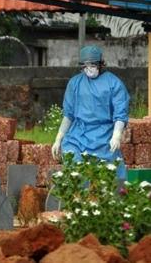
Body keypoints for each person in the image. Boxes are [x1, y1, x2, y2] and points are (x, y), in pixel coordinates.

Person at [51, 45, 130, 179]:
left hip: (104, 136)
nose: (89, 69)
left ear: (100, 64)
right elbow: (68, 114)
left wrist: (116, 135)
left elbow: (120, 113)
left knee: (109, 178)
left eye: (92, 65)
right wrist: (58, 139)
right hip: (78, 135)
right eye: (85, 66)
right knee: (75, 172)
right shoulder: (75, 83)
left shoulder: (113, 83)